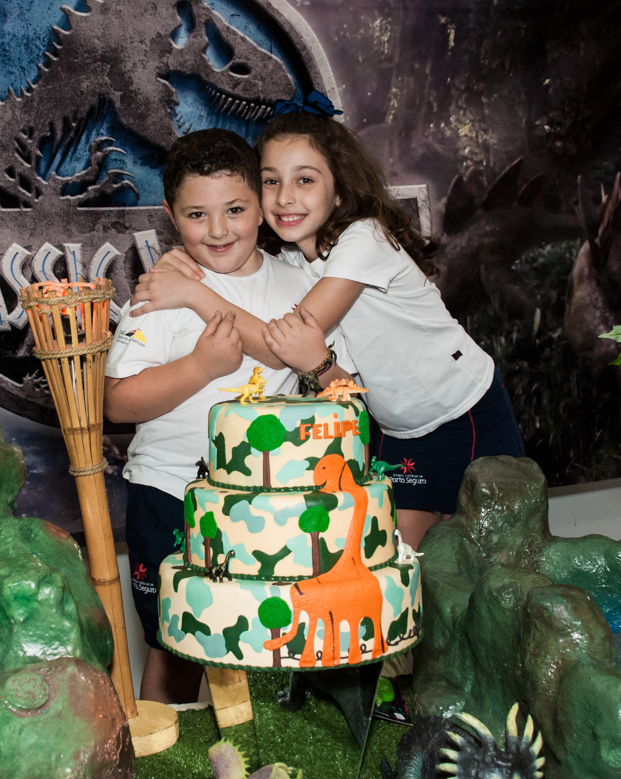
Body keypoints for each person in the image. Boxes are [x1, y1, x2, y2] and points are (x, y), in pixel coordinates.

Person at [131, 99, 524, 552]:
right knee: (401, 566)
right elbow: (329, 373)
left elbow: (281, 345)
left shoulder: (364, 239)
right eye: (271, 181)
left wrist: (190, 292)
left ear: (338, 190)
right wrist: (182, 258)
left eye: (305, 180)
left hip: (464, 412)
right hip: (397, 432)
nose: (285, 197)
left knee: (491, 557)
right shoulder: (293, 264)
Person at [104, 127, 353, 704]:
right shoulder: (163, 289)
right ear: (171, 215)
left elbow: (336, 382)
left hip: (269, 507)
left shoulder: (303, 284)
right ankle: (164, 749)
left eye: (235, 210)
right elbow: (116, 402)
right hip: (169, 492)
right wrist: (200, 366)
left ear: (261, 208)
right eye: (198, 214)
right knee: (175, 644)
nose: (218, 230)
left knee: (264, 638)